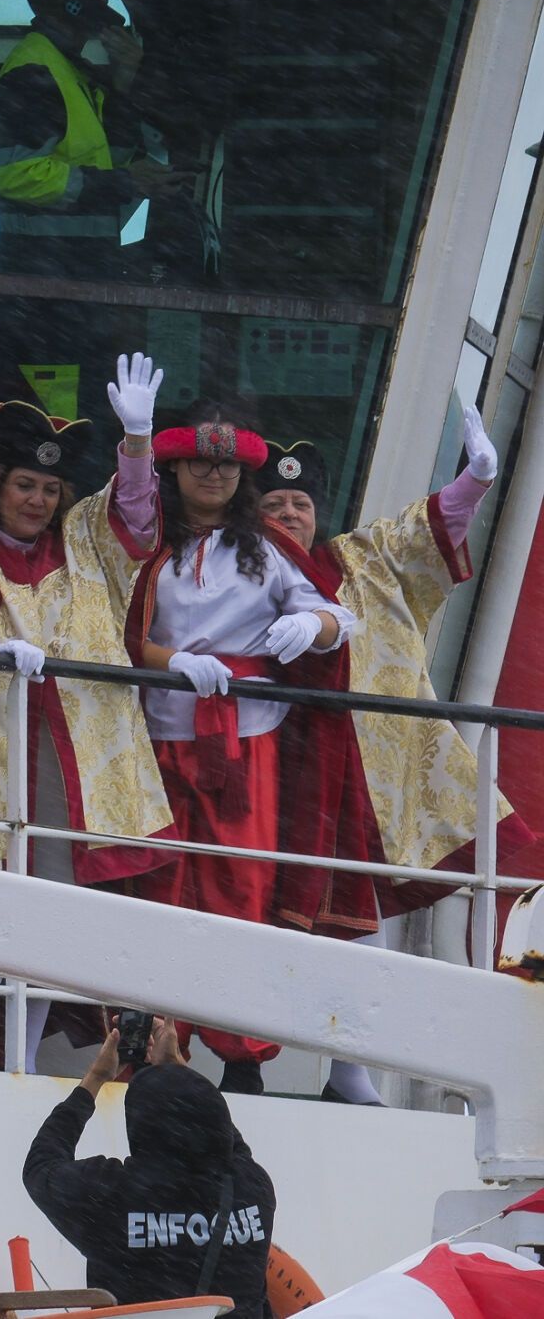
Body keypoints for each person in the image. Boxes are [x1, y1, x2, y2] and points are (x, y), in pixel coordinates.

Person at [252, 417, 533, 1103]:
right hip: (260, 766)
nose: (291, 513)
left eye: (301, 505)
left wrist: (476, 481)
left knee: (353, 917)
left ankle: (352, 1074)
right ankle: (242, 1065)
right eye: (274, 504)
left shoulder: (361, 560)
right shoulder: (230, 561)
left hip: (348, 769)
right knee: (252, 913)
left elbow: (425, 532)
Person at [0, 356, 177, 1072]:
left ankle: (18, 1059)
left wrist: (136, 443)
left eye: (51, 488)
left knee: (46, 922)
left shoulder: (80, 543)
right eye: (25, 484)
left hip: (64, 765)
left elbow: (133, 518)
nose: (39, 500)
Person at [124, 412, 356, 1094]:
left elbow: (338, 617)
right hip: (159, 735)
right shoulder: (147, 543)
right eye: (200, 464)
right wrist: (174, 662)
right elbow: (116, 628)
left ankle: (241, 1056)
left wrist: (306, 624)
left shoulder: (272, 547)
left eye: (227, 467)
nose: (214, 475)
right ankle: (154, 1043)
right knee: (159, 892)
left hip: (247, 740)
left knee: (241, 888)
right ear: (174, 471)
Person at [0, 0, 177, 425]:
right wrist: (122, 182)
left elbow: (115, 157)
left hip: (78, 291)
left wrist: (128, 78)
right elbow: (16, 173)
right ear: (71, 2)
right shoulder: (35, 68)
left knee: (82, 425)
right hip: (42, 294)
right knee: (48, 435)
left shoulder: (76, 71)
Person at [25, 1016, 276, 1319]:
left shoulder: (112, 1196)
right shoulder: (252, 1187)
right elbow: (223, 1138)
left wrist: (96, 1078)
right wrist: (177, 1065)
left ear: (139, 1127)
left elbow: (40, 1165)